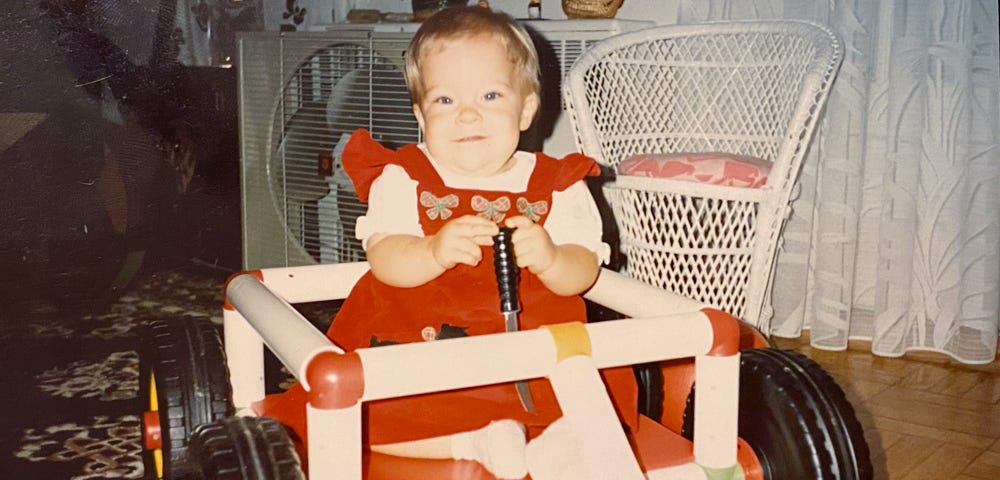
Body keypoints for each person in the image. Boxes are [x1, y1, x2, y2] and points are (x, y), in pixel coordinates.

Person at [254, 6, 638, 479]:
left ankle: (550, 446)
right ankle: (474, 442)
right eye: (444, 101)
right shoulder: (404, 177)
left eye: (491, 95)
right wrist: (431, 251)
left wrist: (553, 258)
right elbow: (385, 258)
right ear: (420, 114)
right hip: (420, 345)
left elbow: (584, 272)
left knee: (588, 403)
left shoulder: (558, 184)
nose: (468, 114)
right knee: (356, 418)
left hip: (527, 353)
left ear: (527, 109)